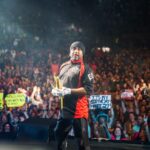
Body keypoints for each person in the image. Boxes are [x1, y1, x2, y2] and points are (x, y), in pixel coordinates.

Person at [52, 41, 94, 150]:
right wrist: (56, 90)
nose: (76, 51)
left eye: (79, 49)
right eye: (73, 48)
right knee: (58, 133)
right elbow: (60, 84)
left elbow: (88, 89)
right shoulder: (63, 65)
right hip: (65, 108)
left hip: (79, 110)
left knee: (82, 141)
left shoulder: (86, 69)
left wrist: (68, 91)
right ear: (70, 51)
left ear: (82, 53)